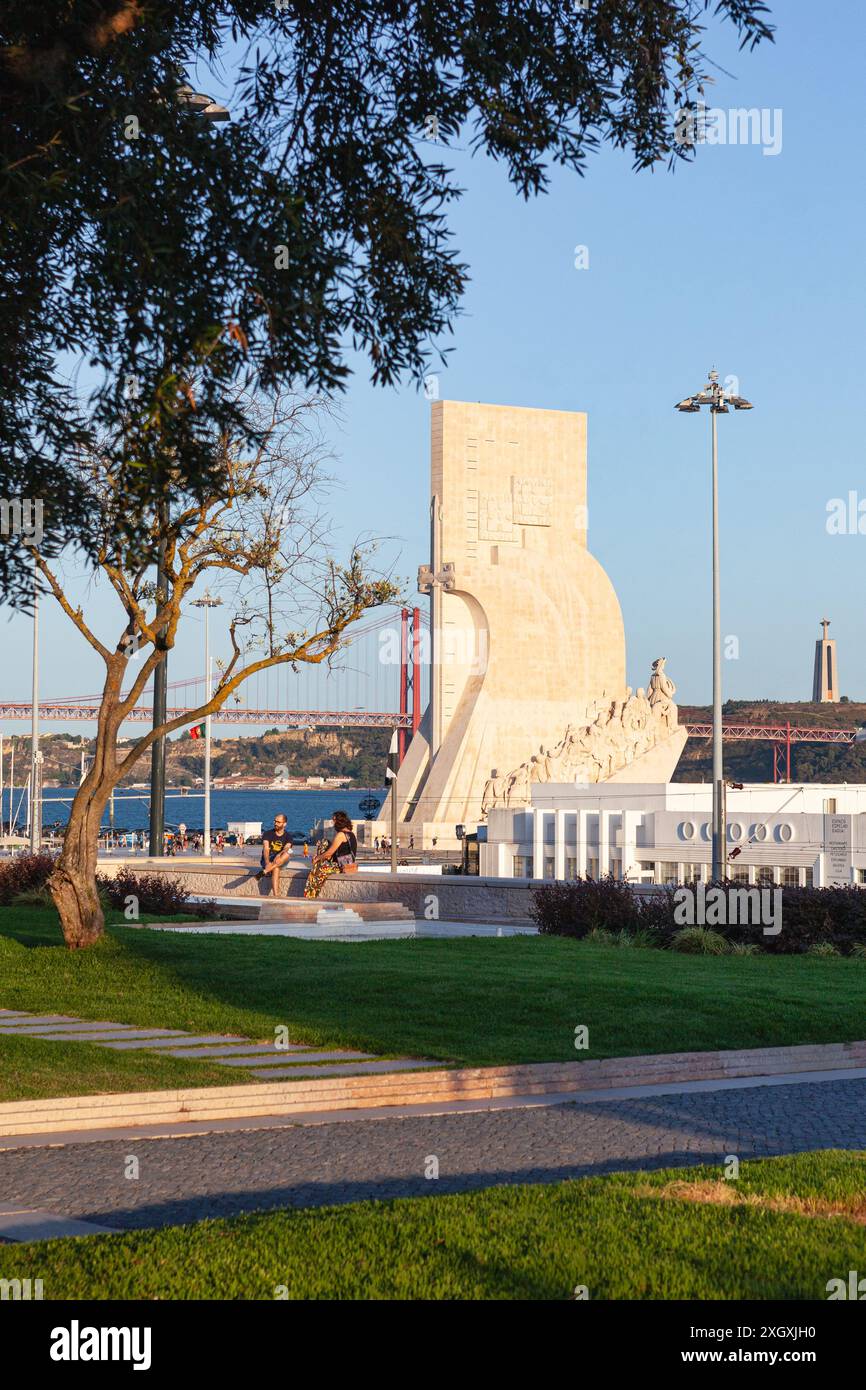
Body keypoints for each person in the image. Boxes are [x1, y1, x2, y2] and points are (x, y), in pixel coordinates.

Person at [304, 811, 357, 898]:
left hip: (342, 865)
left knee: (317, 871)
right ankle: (311, 895)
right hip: (347, 863)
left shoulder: (341, 835)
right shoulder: (350, 834)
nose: (333, 824)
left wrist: (317, 858)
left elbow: (329, 853)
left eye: (334, 821)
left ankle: (310, 896)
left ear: (339, 821)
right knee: (325, 843)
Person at [256, 813, 292, 896]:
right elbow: (265, 849)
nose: (276, 823)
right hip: (268, 859)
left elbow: (286, 848)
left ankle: (264, 872)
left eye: (278, 822)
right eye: (275, 821)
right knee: (276, 868)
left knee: (287, 853)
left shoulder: (288, 836)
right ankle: (276, 895)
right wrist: (268, 862)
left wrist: (279, 854)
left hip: (281, 859)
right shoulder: (268, 834)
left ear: (284, 824)